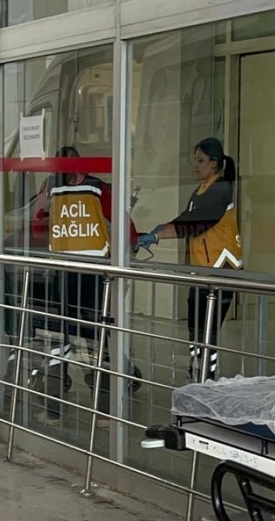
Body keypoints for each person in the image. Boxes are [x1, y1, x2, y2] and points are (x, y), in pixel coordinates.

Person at [42, 146, 139, 422]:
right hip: (77, 275)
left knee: (85, 338)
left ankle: (100, 408)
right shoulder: (90, 190)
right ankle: (60, 407)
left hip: (85, 276)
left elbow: (124, 225)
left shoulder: (83, 190)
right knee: (79, 337)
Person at [136, 137, 244, 380]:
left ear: (214, 164)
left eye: (200, 161)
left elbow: (194, 223)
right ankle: (196, 373)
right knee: (196, 327)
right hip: (202, 269)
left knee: (208, 331)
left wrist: (157, 235)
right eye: (195, 160)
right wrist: (160, 230)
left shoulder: (221, 190)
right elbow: (187, 217)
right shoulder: (202, 189)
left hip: (221, 270)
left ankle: (207, 377)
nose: (196, 166)